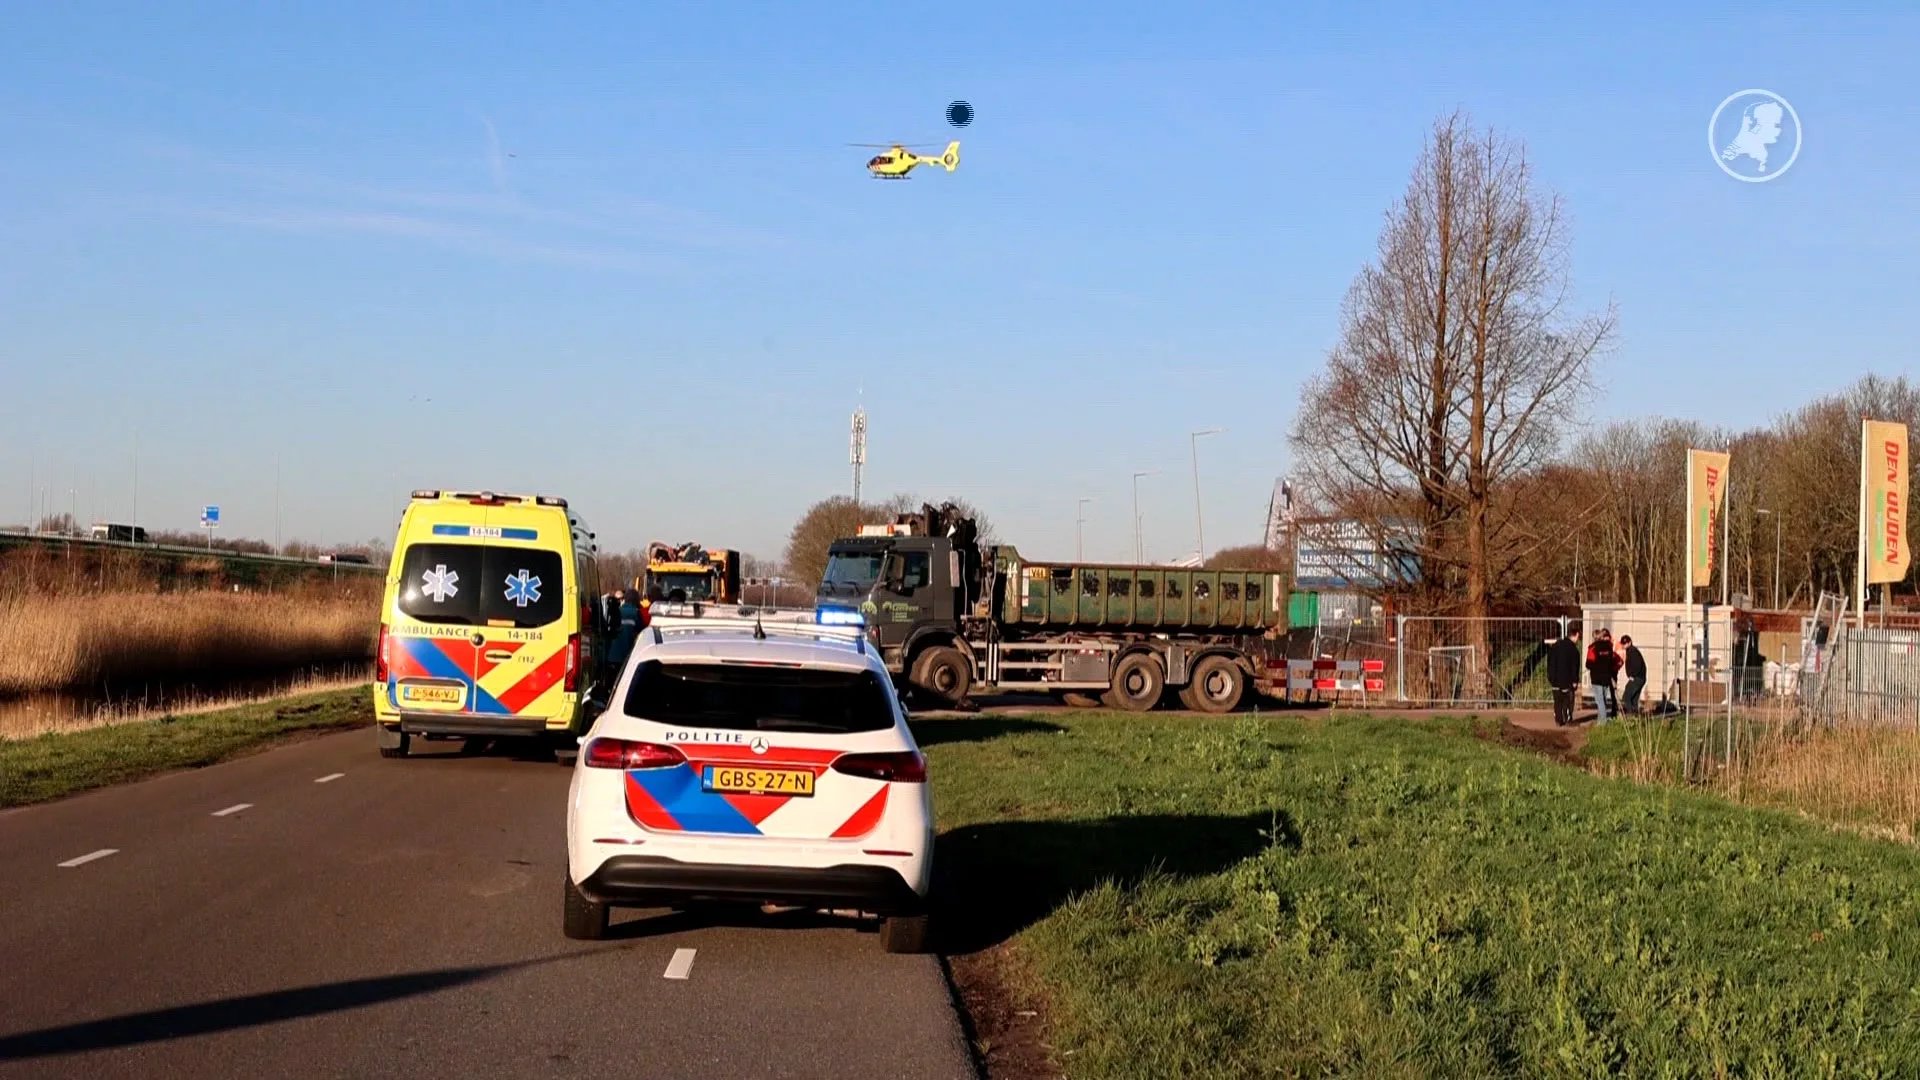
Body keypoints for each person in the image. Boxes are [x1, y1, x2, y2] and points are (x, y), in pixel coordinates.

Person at [1547, 627, 1583, 727]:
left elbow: (1550, 662)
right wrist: (1575, 680)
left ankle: (1558, 719)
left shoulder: (1555, 646)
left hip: (1555, 678)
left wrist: (1550, 676)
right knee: (1567, 699)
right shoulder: (1573, 649)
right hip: (1567, 679)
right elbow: (1574, 666)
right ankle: (1567, 718)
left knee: (1557, 700)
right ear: (1575, 635)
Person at [1586, 629, 1621, 724]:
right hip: (1607, 676)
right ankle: (1600, 720)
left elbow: (1589, 664)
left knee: (1599, 700)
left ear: (1594, 637)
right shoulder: (1609, 647)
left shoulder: (1592, 648)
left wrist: (1596, 666)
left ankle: (1603, 721)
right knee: (1604, 699)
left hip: (1597, 677)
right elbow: (1612, 661)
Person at [1620, 635, 1647, 716]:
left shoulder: (1633, 651)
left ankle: (1632, 713)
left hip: (1637, 678)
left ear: (1629, 642)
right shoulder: (1630, 651)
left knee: (1626, 697)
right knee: (1634, 699)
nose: (1623, 645)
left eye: (1625, 643)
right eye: (1623, 643)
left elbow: (1637, 665)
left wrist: (1632, 676)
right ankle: (1635, 715)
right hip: (1640, 678)